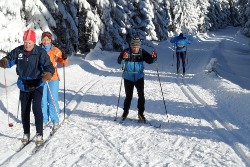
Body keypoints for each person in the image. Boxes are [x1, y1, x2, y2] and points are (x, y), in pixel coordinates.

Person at [0, 29, 54, 145]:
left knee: (36, 108)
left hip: (37, 83)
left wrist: (48, 73)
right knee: (25, 111)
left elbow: (48, 65)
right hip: (24, 84)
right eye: (25, 42)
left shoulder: (40, 52)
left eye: (29, 42)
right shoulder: (18, 51)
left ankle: (39, 134)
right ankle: (26, 133)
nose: (27, 44)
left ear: (34, 42)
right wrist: (4, 61)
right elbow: (9, 59)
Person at [117, 35, 157, 121]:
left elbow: (150, 60)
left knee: (141, 96)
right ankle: (125, 112)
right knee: (128, 96)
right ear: (131, 46)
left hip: (139, 77)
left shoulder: (142, 52)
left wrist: (154, 58)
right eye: (133, 46)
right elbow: (119, 61)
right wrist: (122, 58)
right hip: (128, 77)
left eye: (137, 46)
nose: (135, 48)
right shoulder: (126, 52)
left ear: (139, 46)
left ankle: (141, 114)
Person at [40, 31, 68, 131]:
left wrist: (64, 57)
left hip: (53, 79)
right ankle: (43, 120)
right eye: (44, 40)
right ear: (41, 40)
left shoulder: (56, 50)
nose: (46, 42)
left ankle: (55, 120)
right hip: (42, 79)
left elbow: (63, 62)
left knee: (52, 100)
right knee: (42, 101)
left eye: (47, 40)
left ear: (51, 40)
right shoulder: (38, 50)